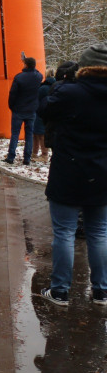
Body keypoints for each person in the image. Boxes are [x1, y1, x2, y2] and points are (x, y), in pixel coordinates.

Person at [36, 43, 107, 307]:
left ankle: (60, 291)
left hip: (69, 169)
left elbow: (44, 110)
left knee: (64, 233)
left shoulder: (71, 93)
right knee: (99, 233)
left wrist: (61, 84)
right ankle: (102, 291)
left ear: (84, 66)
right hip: (102, 171)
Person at [5, 56, 43, 166]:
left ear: (25, 64)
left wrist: (12, 106)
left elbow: (12, 94)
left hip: (18, 109)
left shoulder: (19, 77)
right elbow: (38, 73)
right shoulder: (38, 76)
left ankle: (11, 156)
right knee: (29, 134)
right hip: (31, 110)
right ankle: (27, 158)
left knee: (15, 134)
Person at [33, 73, 56, 160]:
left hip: (39, 112)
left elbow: (36, 99)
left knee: (38, 134)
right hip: (47, 112)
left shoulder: (43, 88)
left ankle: (42, 154)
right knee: (40, 134)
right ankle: (39, 153)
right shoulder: (55, 85)